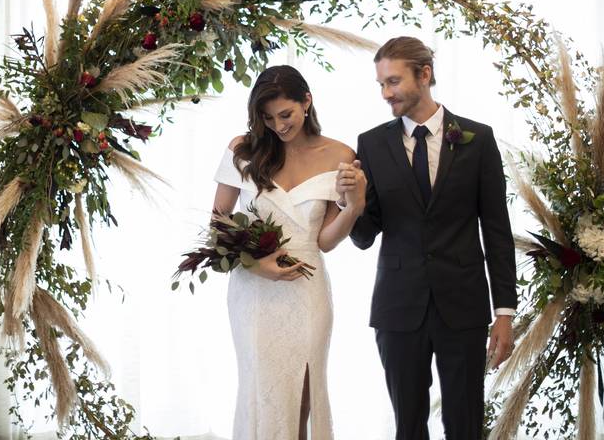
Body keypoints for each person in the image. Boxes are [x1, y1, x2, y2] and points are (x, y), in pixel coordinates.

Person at [335, 36, 517, 440]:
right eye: (381, 84)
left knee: (466, 424)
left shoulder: (478, 139)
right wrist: (355, 203)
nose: (386, 93)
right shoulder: (371, 143)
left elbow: (498, 232)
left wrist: (504, 312)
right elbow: (364, 238)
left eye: (394, 82)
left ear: (425, 75)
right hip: (399, 309)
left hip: (464, 306)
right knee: (408, 426)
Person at [212, 64, 367, 440]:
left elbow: (326, 241)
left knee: (303, 396)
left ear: (307, 102)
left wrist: (355, 206)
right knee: (261, 392)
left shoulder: (340, 154)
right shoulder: (243, 149)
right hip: (254, 292)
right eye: (268, 118)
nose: (279, 126)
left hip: (307, 289)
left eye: (286, 114)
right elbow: (219, 222)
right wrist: (256, 263)